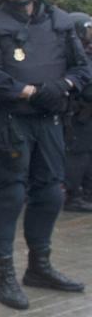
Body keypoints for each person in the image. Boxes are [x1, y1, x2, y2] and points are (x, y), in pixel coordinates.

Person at [0, 0, 91, 310]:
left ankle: (39, 266)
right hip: (12, 121)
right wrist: (27, 91)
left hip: (50, 121)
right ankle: (3, 274)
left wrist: (63, 85)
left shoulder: (62, 22)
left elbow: (83, 70)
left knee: (51, 193)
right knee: (11, 196)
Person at [65, 12, 92, 212]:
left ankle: (87, 191)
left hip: (86, 115)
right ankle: (74, 195)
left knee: (87, 154)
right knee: (78, 154)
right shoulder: (71, 57)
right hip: (77, 114)